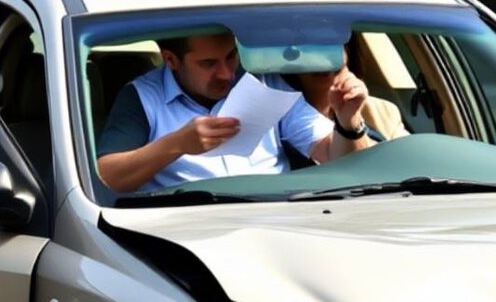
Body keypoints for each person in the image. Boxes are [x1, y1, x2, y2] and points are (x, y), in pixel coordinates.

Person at [96, 31, 374, 193]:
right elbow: (106, 176)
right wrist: (176, 144)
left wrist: (348, 121)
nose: (226, 73)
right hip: (186, 231)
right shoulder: (142, 96)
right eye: (208, 64)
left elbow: (337, 159)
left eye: (231, 56)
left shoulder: (263, 82)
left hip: (282, 217)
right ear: (171, 60)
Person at [286, 33, 410, 142]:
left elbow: (409, 163)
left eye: (333, 43)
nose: (323, 59)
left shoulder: (383, 112)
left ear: (348, 50)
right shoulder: (275, 121)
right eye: (309, 47)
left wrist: (352, 120)